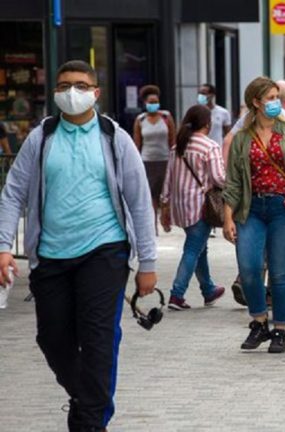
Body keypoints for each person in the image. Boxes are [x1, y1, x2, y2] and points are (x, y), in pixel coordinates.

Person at [0, 60, 157, 432]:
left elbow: (139, 200)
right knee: (52, 338)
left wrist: (147, 263)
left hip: (104, 251)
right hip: (51, 257)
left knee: (98, 338)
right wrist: (4, 245)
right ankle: (90, 398)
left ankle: (89, 422)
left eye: (81, 85)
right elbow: (13, 194)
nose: (73, 92)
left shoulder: (113, 137)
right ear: (55, 92)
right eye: (65, 84)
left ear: (96, 92)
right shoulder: (41, 137)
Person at [223, 77, 285, 354]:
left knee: (280, 273)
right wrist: (227, 217)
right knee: (249, 268)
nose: (275, 103)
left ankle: (280, 329)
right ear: (256, 102)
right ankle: (258, 321)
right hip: (251, 209)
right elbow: (232, 181)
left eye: (277, 97)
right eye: (269, 98)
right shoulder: (243, 138)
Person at [160, 105, 227, 310]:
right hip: (201, 207)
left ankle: (208, 290)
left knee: (199, 248)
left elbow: (168, 178)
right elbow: (218, 178)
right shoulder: (209, 147)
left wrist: (165, 205)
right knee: (192, 249)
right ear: (208, 123)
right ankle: (177, 295)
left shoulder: (177, 146)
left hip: (181, 206)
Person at [132, 85, 175, 233]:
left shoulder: (166, 117)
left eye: (155, 101)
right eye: (150, 102)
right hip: (147, 161)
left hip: (165, 160)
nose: (153, 104)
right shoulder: (140, 119)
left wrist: (174, 159)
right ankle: (153, 225)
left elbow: (172, 140)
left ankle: (165, 219)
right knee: (150, 194)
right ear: (145, 103)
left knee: (165, 193)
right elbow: (137, 143)